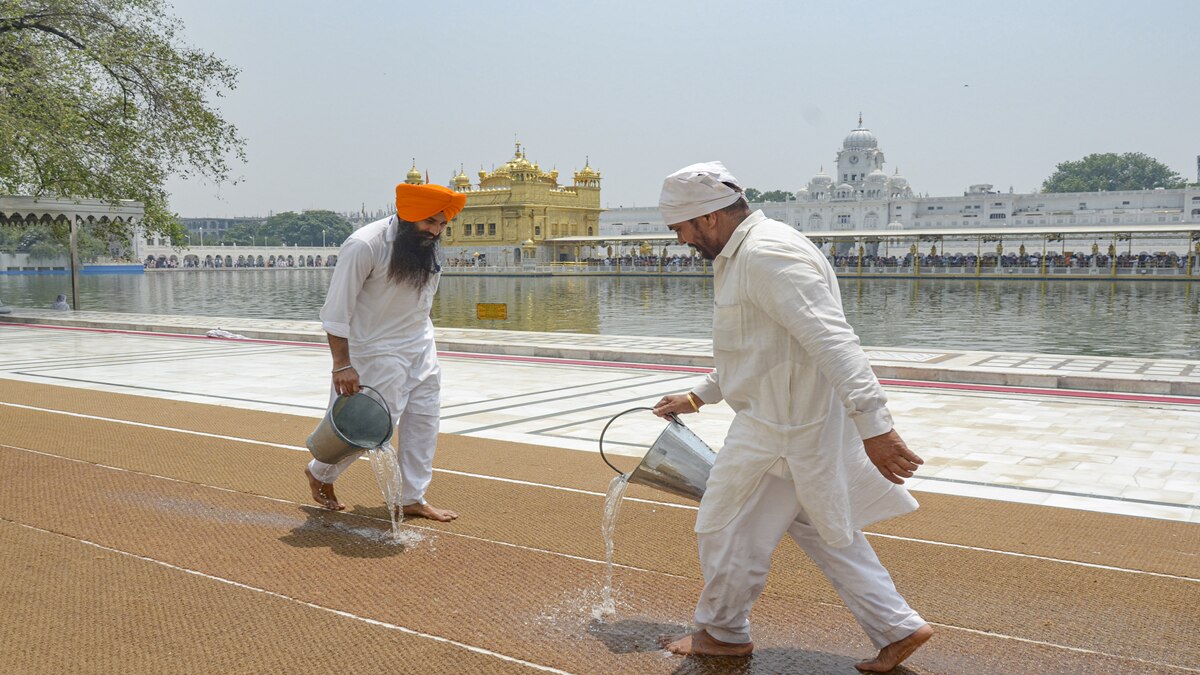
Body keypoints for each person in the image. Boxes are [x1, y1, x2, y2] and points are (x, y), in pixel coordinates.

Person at [651, 162, 932, 672]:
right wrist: (698, 396)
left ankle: (723, 633)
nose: (681, 241)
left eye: (681, 229)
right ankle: (898, 627)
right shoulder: (750, 251)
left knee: (724, 524)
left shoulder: (766, 254)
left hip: (780, 428)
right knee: (825, 529)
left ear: (708, 219)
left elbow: (834, 341)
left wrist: (877, 426)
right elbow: (758, 345)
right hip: (789, 421)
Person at [303, 181, 465, 523]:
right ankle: (321, 472)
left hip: (420, 345)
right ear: (409, 216)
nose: (435, 231)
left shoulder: (427, 246)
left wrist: (423, 346)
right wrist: (341, 365)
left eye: (441, 225)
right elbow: (335, 311)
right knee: (371, 426)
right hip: (373, 350)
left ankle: (412, 497)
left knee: (424, 420)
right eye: (429, 222)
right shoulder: (365, 244)